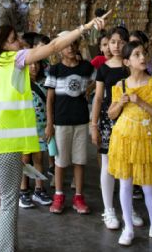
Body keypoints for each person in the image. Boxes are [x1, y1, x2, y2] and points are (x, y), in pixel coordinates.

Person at [0, 15, 106, 252]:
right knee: (10, 199)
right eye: (14, 40)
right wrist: (84, 27)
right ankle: (3, 249)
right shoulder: (14, 60)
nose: (20, 43)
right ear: (3, 45)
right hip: (6, 143)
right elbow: (53, 46)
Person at [107, 41, 152, 246]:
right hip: (124, 138)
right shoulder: (120, 85)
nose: (143, 57)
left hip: (145, 139)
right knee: (125, 184)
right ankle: (128, 228)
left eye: (143, 53)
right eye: (136, 55)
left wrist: (141, 103)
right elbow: (111, 114)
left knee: (148, 186)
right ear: (127, 61)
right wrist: (121, 102)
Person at [45, 33, 95, 215]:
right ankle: (58, 195)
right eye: (66, 45)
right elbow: (50, 99)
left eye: (74, 44)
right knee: (60, 161)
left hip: (81, 121)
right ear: (59, 49)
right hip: (61, 122)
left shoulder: (86, 67)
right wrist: (50, 123)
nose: (71, 48)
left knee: (79, 161)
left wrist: (88, 89)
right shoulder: (55, 70)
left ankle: (79, 197)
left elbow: (98, 81)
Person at [90, 26, 134, 230]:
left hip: (131, 117)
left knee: (128, 164)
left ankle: (128, 208)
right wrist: (94, 125)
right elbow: (98, 99)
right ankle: (108, 210)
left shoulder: (132, 67)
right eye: (113, 42)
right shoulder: (104, 69)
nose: (116, 46)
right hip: (109, 119)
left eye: (121, 42)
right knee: (107, 164)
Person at [19, 60, 52, 209]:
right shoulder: (19, 83)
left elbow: (49, 104)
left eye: (36, 64)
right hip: (23, 126)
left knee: (38, 157)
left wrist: (49, 125)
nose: (33, 67)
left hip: (40, 126)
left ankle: (39, 189)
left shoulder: (44, 83)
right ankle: (23, 189)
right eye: (30, 64)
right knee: (25, 158)